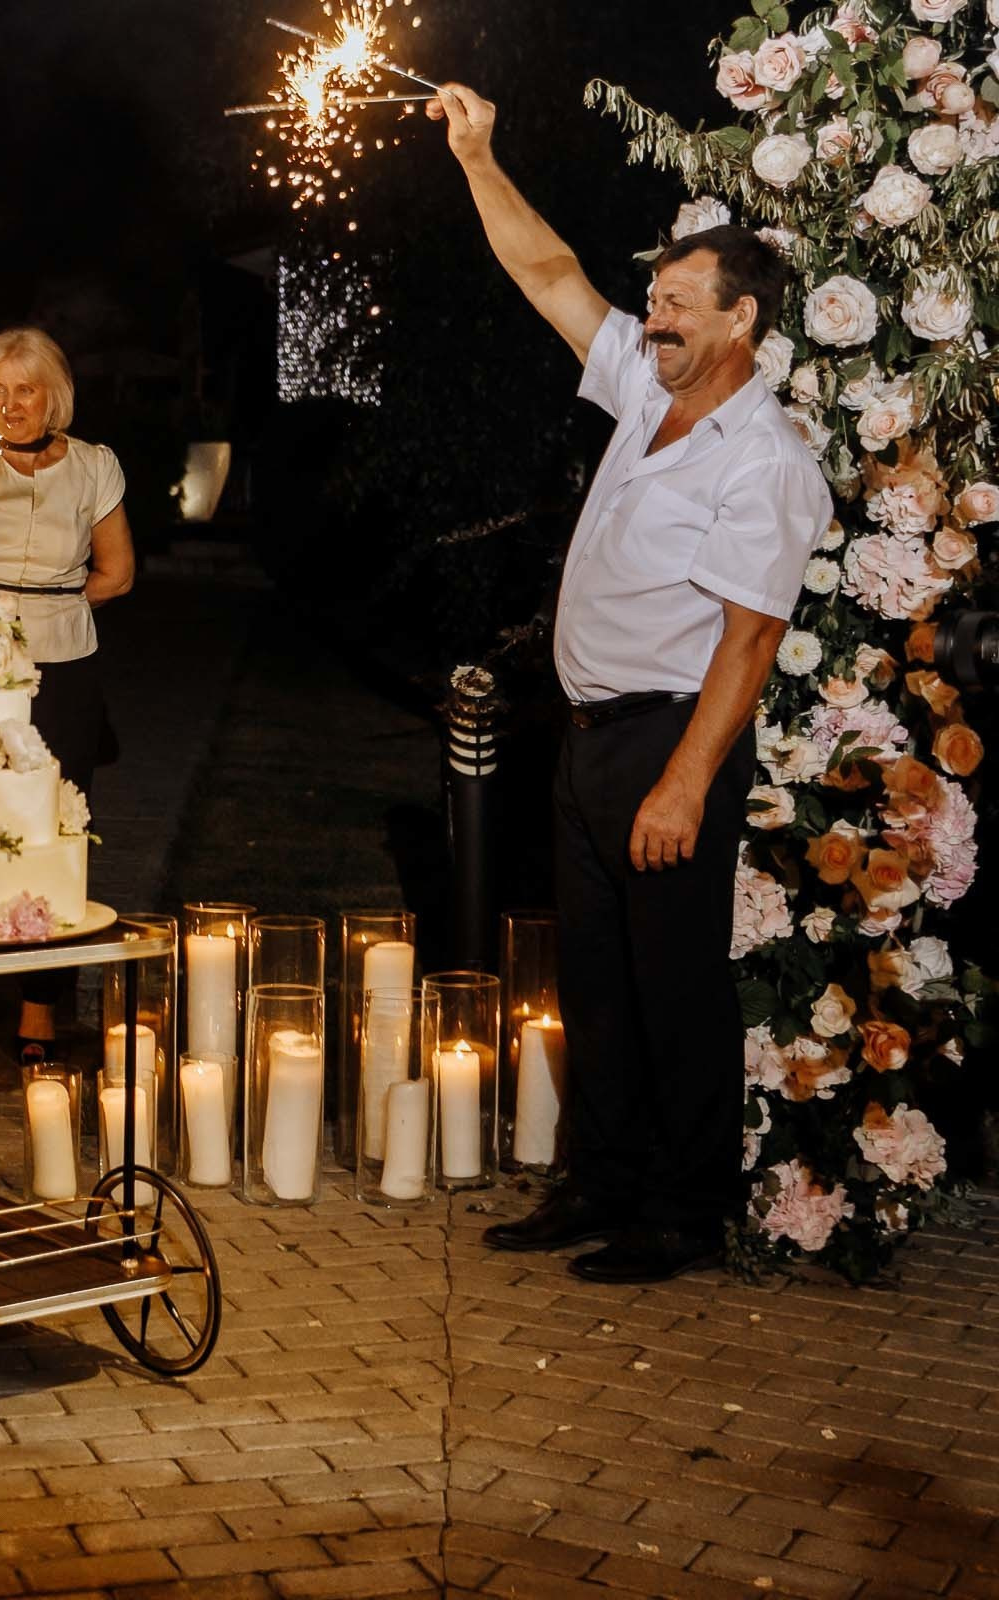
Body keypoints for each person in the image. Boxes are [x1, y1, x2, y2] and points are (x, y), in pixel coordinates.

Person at [431, 83, 828, 1283]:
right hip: (591, 738)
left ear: (742, 318)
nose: (649, 320)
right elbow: (549, 271)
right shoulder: (650, 390)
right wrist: (477, 154)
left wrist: (685, 783)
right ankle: (599, 1181)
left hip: (671, 743)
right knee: (594, 978)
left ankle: (683, 1211)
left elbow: (751, 642)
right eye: (650, 301)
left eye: (675, 305)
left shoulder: (765, 460)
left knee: (673, 989)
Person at [0, 329, 134, 1063]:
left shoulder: (94, 466)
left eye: (26, 389)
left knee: (53, 828)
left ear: (54, 394)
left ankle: (40, 1007)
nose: (10, 405)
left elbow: (117, 572)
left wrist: (55, 609)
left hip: (65, 666)